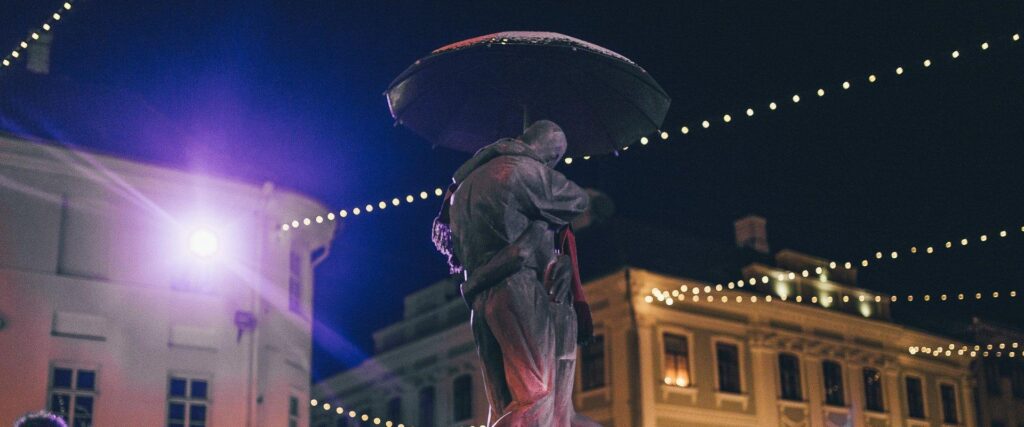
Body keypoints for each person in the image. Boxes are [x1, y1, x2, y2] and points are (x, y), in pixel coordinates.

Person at [433, 120, 598, 426]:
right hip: (517, 290)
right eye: (553, 161)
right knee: (534, 395)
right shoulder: (520, 169)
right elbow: (577, 201)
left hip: (479, 297)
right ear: (549, 154)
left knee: (502, 404)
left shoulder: (461, 189)